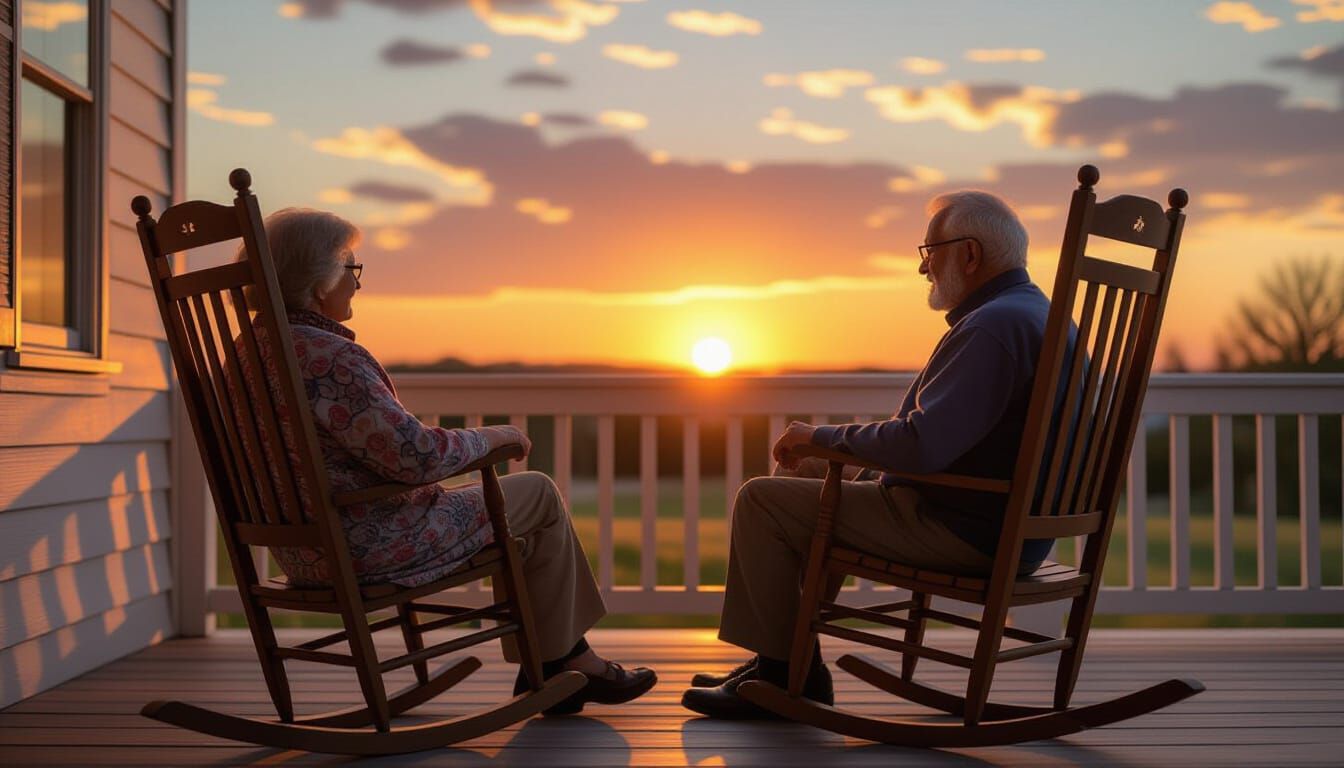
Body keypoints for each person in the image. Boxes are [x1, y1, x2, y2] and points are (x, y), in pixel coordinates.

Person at [238, 208, 655, 715]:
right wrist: (495, 437)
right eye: (351, 268)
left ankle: (557, 662)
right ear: (320, 282)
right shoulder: (327, 358)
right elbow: (415, 457)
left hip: (304, 553)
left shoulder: (246, 354)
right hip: (370, 543)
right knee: (537, 492)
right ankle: (563, 661)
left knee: (519, 533)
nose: (357, 283)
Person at [682, 190, 1061, 719]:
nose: (923, 269)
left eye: (930, 252)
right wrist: (822, 446)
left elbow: (922, 444)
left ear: (970, 255)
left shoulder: (993, 328)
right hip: (1003, 522)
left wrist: (823, 435)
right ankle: (787, 659)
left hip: (964, 527)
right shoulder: (1033, 313)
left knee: (762, 501)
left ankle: (785, 672)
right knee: (809, 466)